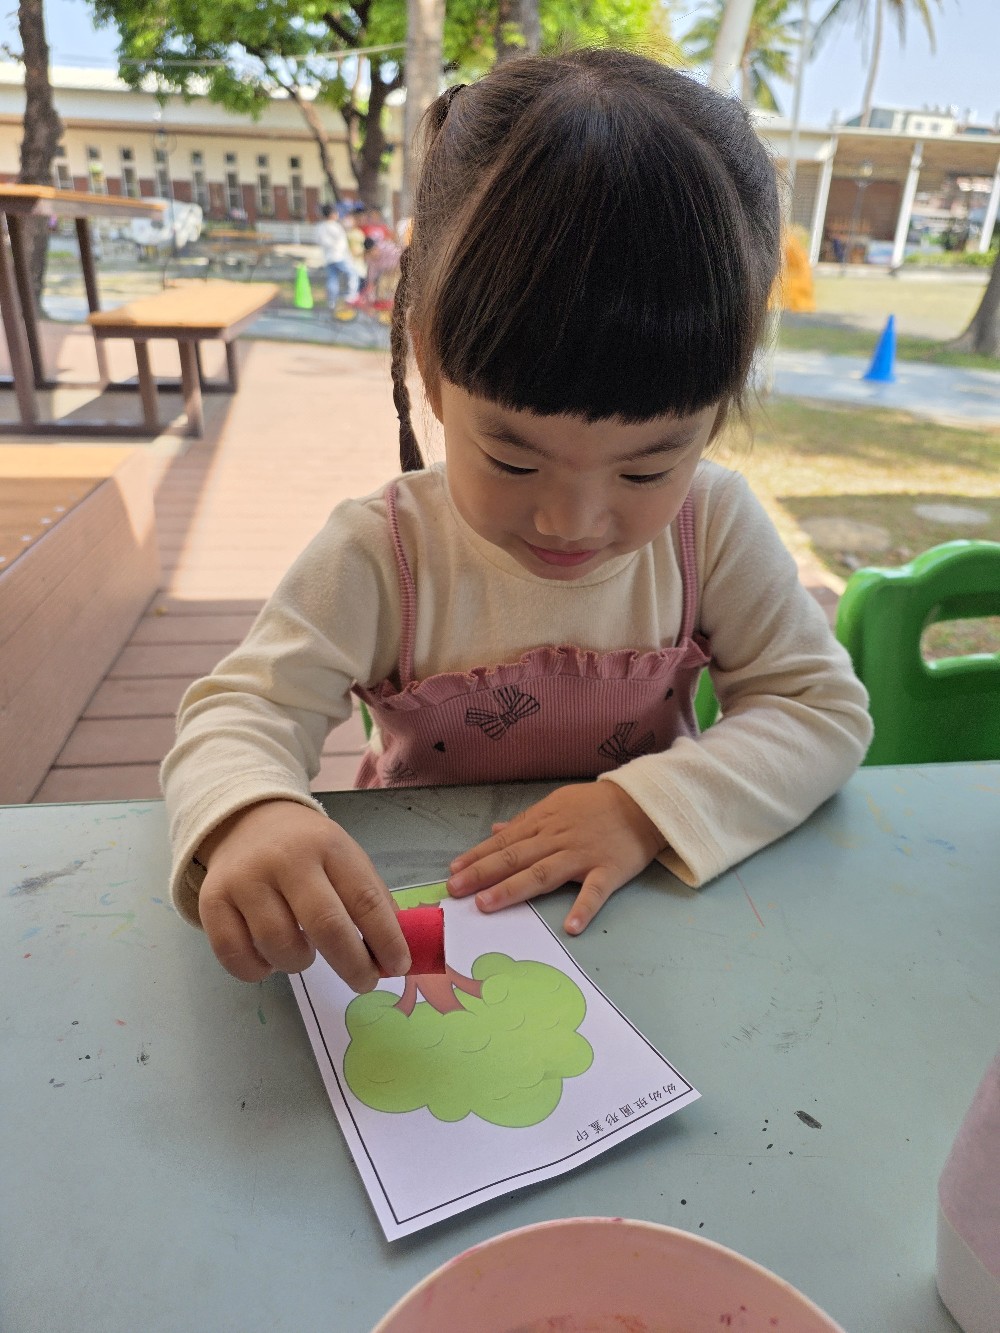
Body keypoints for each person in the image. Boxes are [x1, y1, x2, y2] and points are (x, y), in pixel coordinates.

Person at [161, 49, 872, 993]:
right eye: (513, 458)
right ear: (430, 365)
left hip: (657, 931)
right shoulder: (384, 553)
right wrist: (249, 813)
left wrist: (644, 807)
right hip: (425, 934)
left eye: (647, 466)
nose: (571, 520)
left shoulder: (712, 528)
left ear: (716, 412)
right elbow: (244, 708)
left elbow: (818, 708)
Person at [314, 202, 358, 307]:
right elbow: (342, 243)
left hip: (328, 257)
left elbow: (319, 240)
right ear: (332, 214)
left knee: (332, 278)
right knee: (352, 273)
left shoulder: (320, 227)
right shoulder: (335, 226)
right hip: (339, 256)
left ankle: (332, 301)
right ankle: (351, 295)